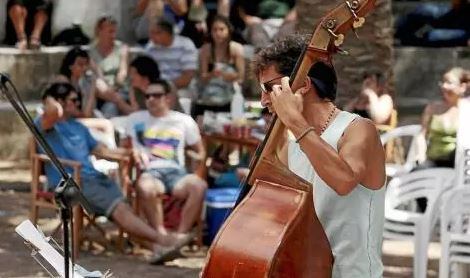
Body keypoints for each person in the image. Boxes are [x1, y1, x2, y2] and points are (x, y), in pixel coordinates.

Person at [253, 34, 386, 277]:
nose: (263, 101)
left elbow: (343, 181)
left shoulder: (358, 129)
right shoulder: (289, 145)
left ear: (303, 84)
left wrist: (294, 120)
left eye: (270, 88)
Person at [34, 82, 187, 262]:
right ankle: (164, 239)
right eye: (73, 100)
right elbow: (55, 111)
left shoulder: (79, 127)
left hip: (93, 179)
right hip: (70, 183)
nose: (78, 104)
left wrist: (130, 153)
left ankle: (157, 249)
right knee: (121, 210)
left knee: (124, 211)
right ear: (59, 101)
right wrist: (50, 97)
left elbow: (103, 151)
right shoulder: (45, 124)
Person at [125, 79, 207, 262]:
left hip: (177, 173)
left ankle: (178, 237)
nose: (151, 99)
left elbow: (200, 152)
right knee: (146, 187)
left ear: (168, 98)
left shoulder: (183, 120)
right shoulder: (135, 119)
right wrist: (134, 151)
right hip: (151, 172)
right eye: (147, 96)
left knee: (199, 186)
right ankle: (162, 237)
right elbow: (124, 150)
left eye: (156, 95)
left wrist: (195, 161)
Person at [194, 15, 245, 120]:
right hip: (208, 90)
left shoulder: (236, 49)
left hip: (228, 90)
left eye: (221, 29)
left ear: (228, 30)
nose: (218, 33)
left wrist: (226, 76)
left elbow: (241, 77)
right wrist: (213, 74)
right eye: (215, 30)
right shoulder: (206, 49)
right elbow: (202, 77)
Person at [418, 67, 469, 169]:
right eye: (443, 82)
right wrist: (420, 155)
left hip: (458, 164)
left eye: (449, 83)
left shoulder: (467, 110)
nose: (444, 86)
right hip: (433, 161)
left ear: (462, 87)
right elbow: (421, 135)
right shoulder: (432, 108)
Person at [89, 16, 132, 118]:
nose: (113, 35)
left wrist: (115, 86)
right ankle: (122, 104)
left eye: (114, 31)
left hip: (119, 87)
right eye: (110, 31)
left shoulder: (122, 48)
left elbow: (123, 72)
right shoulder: (91, 51)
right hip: (100, 89)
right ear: (100, 31)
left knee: (110, 107)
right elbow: (97, 73)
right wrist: (108, 89)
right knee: (97, 82)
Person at [394, 0, 470, 47]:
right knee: (424, 10)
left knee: (433, 36)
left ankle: (407, 40)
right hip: (460, 14)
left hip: (466, 32)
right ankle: (395, 32)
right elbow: (456, 5)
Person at [229, 0, 297, 48]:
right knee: (257, 33)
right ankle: (265, 60)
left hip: (283, 22)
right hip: (259, 22)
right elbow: (239, 7)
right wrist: (246, 18)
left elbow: (296, 7)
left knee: (287, 33)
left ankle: (281, 58)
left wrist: (291, 16)